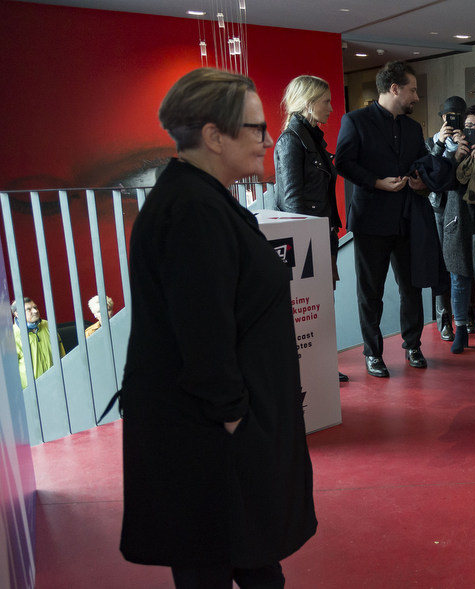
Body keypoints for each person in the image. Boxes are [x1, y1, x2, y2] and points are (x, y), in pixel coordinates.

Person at [118, 68, 316, 588]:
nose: (268, 140)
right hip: (211, 440)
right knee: (215, 562)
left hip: (218, 436)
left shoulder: (202, 200)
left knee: (247, 558)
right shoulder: (192, 211)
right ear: (213, 135)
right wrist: (236, 420)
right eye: (255, 128)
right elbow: (202, 335)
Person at [336, 60, 444, 377]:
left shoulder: (412, 128)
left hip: (407, 218)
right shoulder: (354, 121)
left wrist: (421, 179)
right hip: (370, 221)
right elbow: (343, 162)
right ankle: (373, 353)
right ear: (394, 89)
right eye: (412, 90)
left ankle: (413, 345)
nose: (416, 97)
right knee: (370, 291)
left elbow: (421, 163)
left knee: (411, 287)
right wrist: (375, 181)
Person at [274, 74, 348, 383]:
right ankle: (310, 372)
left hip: (320, 236)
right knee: (309, 310)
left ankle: (321, 369)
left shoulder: (312, 139)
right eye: (326, 101)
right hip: (307, 242)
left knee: (321, 308)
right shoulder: (292, 141)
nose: (331, 108)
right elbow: (292, 202)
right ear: (308, 104)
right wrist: (310, 243)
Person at [443, 104, 475, 354]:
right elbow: (442, 180)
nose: (474, 130)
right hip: (458, 221)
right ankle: (460, 328)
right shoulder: (454, 152)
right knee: (459, 279)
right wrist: (454, 154)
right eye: (469, 126)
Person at [427, 95, 471, 343]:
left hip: (462, 209)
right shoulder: (431, 143)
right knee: (441, 266)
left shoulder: (472, 141)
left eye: (456, 117)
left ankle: (466, 315)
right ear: (442, 119)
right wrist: (441, 145)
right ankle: (444, 319)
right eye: (448, 117)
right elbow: (429, 172)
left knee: (464, 263)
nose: (452, 121)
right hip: (437, 209)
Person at [12, 297, 64, 388]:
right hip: (32, 391)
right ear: (17, 314)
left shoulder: (47, 325)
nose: (35, 311)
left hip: (56, 383)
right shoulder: (11, 336)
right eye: (29, 309)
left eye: (35, 307)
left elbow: (61, 351)